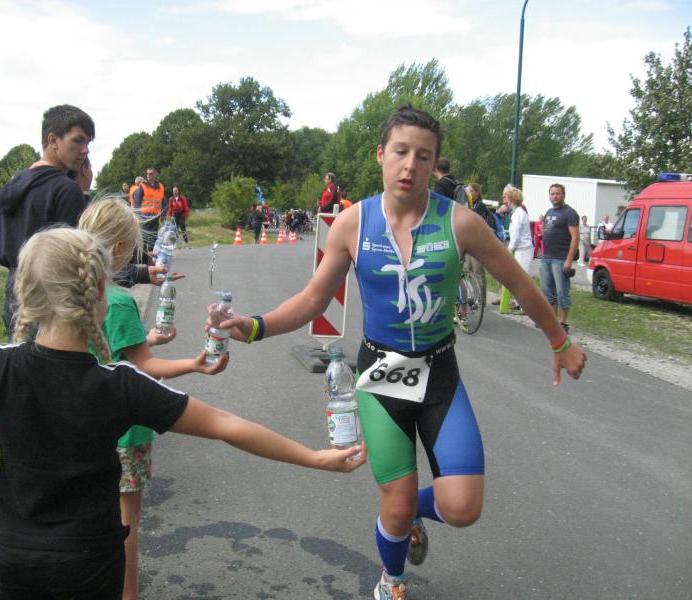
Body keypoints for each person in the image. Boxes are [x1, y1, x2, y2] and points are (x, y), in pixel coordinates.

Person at [217, 104, 586, 600]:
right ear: (381, 155)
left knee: (462, 507)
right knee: (394, 502)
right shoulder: (352, 223)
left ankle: (414, 511)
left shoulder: (461, 223)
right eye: (401, 152)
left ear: (434, 164)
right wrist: (257, 327)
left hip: (439, 375)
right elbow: (313, 300)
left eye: (423, 156)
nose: (410, 165)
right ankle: (392, 580)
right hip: (381, 375)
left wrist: (559, 340)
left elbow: (519, 282)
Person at [0, 227, 365, 600]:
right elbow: (225, 424)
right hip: (93, 560)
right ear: (101, 291)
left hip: (18, 559)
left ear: (27, 294)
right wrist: (314, 457)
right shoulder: (120, 384)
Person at [79, 198, 227, 600]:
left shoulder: (75, 296)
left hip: (85, 428)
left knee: (90, 516)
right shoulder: (120, 301)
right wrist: (194, 365)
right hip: (126, 435)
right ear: (120, 249)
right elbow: (142, 367)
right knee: (127, 521)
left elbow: (111, 353)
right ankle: (128, 594)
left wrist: (146, 340)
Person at [0, 104, 94, 334]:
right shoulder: (66, 190)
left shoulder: (14, 184)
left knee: (18, 353)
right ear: (53, 140)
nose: (85, 150)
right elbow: (75, 260)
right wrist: (83, 192)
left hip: (13, 295)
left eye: (88, 143)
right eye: (78, 141)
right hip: (50, 300)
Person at [540, 183, 580, 333]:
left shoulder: (570, 213)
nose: (555, 196)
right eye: (552, 194)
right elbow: (546, 231)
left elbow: (575, 237)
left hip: (560, 258)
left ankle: (563, 322)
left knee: (562, 292)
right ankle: (552, 321)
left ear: (563, 195)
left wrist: (568, 260)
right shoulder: (549, 212)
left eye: (557, 193)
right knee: (547, 291)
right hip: (546, 257)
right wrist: (543, 233)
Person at [506, 185, 534, 310]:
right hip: (520, 249)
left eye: (507, 197)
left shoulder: (518, 214)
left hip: (524, 249)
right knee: (519, 277)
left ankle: (526, 305)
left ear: (511, 199)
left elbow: (516, 234)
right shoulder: (517, 213)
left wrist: (510, 248)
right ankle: (519, 303)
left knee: (523, 278)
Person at [132, 168, 165, 253]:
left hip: (156, 215)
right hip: (144, 216)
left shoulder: (160, 186)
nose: (148, 175)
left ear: (155, 175)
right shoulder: (142, 186)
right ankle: (142, 254)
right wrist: (137, 214)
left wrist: (163, 214)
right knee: (144, 236)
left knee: (153, 236)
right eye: (147, 174)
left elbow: (164, 201)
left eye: (151, 174)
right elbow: (137, 202)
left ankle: (150, 255)